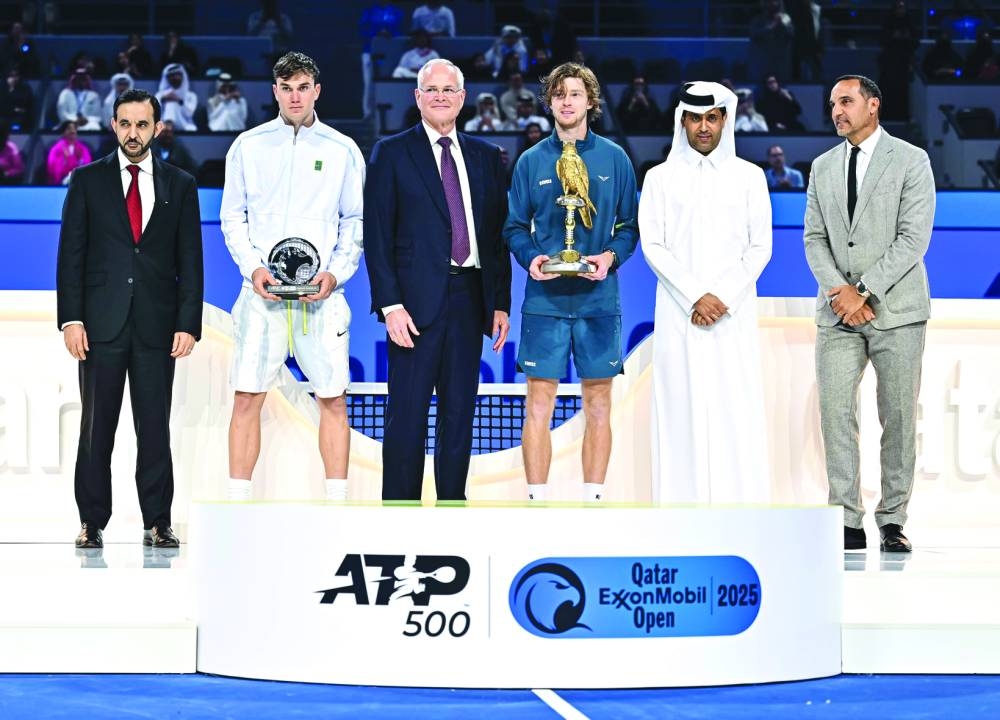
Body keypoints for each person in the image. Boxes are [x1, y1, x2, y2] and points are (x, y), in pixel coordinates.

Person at [56, 88, 203, 549]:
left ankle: (158, 521)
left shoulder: (180, 184)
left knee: (155, 428)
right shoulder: (86, 181)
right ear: (114, 125)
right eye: (125, 123)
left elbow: (191, 261)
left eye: (143, 124)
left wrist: (188, 322)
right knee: (96, 428)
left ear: (157, 127)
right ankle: (91, 521)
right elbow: (71, 257)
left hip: (158, 328)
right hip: (100, 326)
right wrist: (71, 319)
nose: (133, 133)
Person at [364, 58, 512, 501]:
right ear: (418, 98)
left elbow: (495, 236)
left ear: (463, 98)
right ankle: (400, 511)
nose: (441, 97)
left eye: (449, 90)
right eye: (432, 90)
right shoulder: (391, 152)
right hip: (412, 304)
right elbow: (377, 233)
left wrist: (499, 302)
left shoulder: (487, 157)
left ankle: (452, 507)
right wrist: (390, 305)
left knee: (459, 412)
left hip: (470, 299)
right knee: (407, 414)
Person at [222, 52, 364, 503]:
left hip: (320, 298)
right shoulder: (247, 145)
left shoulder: (342, 150)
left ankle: (336, 507)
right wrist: (253, 267)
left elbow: (354, 224)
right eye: (286, 88)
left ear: (317, 90)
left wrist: (335, 275)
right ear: (274, 92)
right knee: (247, 397)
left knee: (333, 399)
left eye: (303, 87)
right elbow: (232, 218)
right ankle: (238, 506)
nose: (295, 96)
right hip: (260, 296)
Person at [803, 75, 935, 552]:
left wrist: (863, 290)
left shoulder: (912, 160)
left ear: (873, 105)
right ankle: (846, 519)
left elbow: (913, 238)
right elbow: (813, 239)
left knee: (897, 417)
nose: (836, 111)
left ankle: (893, 520)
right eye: (832, 104)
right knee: (836, 415)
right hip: (837, 313)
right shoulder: (821, 167)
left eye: (846, 101)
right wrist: (841, 292)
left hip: (896, 310)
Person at [505, 62, 638, 502]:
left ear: (590, 102)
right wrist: (531, 258)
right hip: (544, 299)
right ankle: (537, 502)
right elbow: (514, 227)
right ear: (550, 102)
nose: (566, 100)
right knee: (537, 405)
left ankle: (593, 501)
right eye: (559, 93)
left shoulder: (615, 159)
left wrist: (610, 256)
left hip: (599, 299)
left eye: (575, 93)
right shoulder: (530, 161)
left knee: (599, 404)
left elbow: (630, 227)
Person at [639, 81, 772, 505]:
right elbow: (653, 245)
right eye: (694, 118)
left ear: (724, 120)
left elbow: (760, 247)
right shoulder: (658, 178)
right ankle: (680, 512)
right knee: (680, 412)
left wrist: (722, 297)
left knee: (736, 409)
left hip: (733, 317)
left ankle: (742, 510)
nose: (703, 127)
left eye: (711, 118)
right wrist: (697, 295)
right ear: (683, 121)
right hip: (681, 316)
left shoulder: (750, 177)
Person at [156, 63, 198, 131]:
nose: (175, 77)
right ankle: (168, 127)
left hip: (184, 124)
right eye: (172, 75)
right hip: (162, 125)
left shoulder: (191, 96)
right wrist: (163, 100)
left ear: (183, 76)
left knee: (172, 102)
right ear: (167, 78)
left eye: (177, 74)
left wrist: (178, 100)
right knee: (171, 103)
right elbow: (155, 113)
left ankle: (168, 128)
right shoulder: (160, 95)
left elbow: (189, 114)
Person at [47, 120, 91, 185]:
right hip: (61, 183)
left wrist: (80, 160)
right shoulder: (56, 149)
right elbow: (52, 168)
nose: (72, 131)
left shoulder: (82, 148)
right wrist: (64, 160)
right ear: (63, 132)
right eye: (69, 129)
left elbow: (88, 167)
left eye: (74, 129)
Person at [0, 67, 33, 131]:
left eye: (16, 76)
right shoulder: (2, 88)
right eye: (11, 76)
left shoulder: (25, 89)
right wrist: (13, 109)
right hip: (3, 116)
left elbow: (24, 105)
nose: (13, 79)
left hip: (17, 118)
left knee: (16, 125)